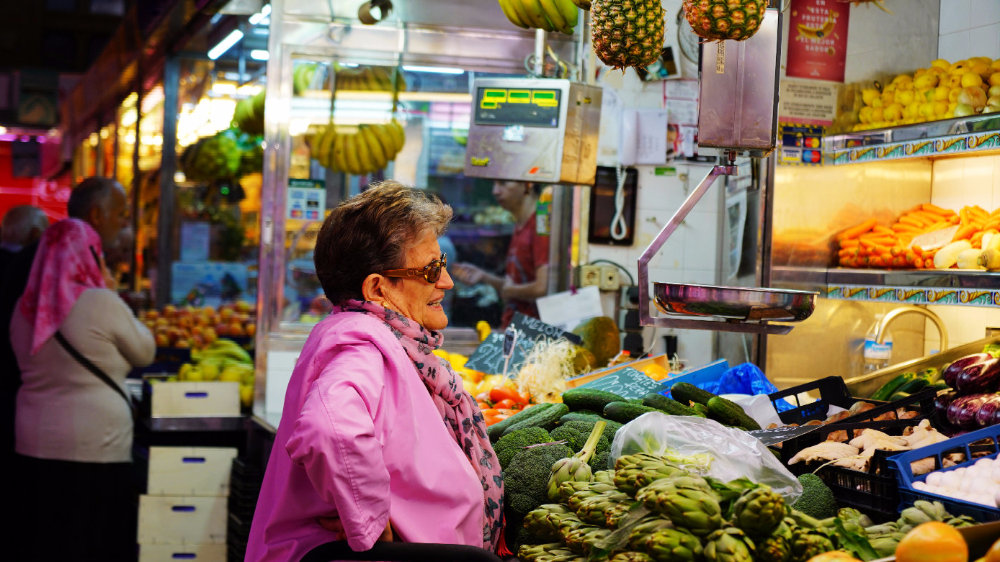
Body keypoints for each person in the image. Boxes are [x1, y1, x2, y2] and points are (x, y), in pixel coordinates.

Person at [246, 181, 504, 561]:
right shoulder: (361, 343)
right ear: (378, 289)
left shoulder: (377, 337)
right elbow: (329, 428)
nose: (446, 282)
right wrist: (370, 521)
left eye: (443, 265)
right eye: (432, 269)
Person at [9, 224, 147, 557]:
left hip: (34, 440)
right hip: (96, 444)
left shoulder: (24, 308)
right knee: (94, 539)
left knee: (46, 538)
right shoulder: (100, 302)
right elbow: (145, 351)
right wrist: (113, 295)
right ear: (90, 254)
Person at [452, 180, 550, 328]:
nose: (495, 191)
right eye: (494, 184)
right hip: (514, 329)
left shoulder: (540, 225)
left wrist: (509, 290)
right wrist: (484, 276)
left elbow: (543, 287)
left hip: (531, 334)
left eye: (503, 183)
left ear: (528, 185)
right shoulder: (520, 225)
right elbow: (514, 288)